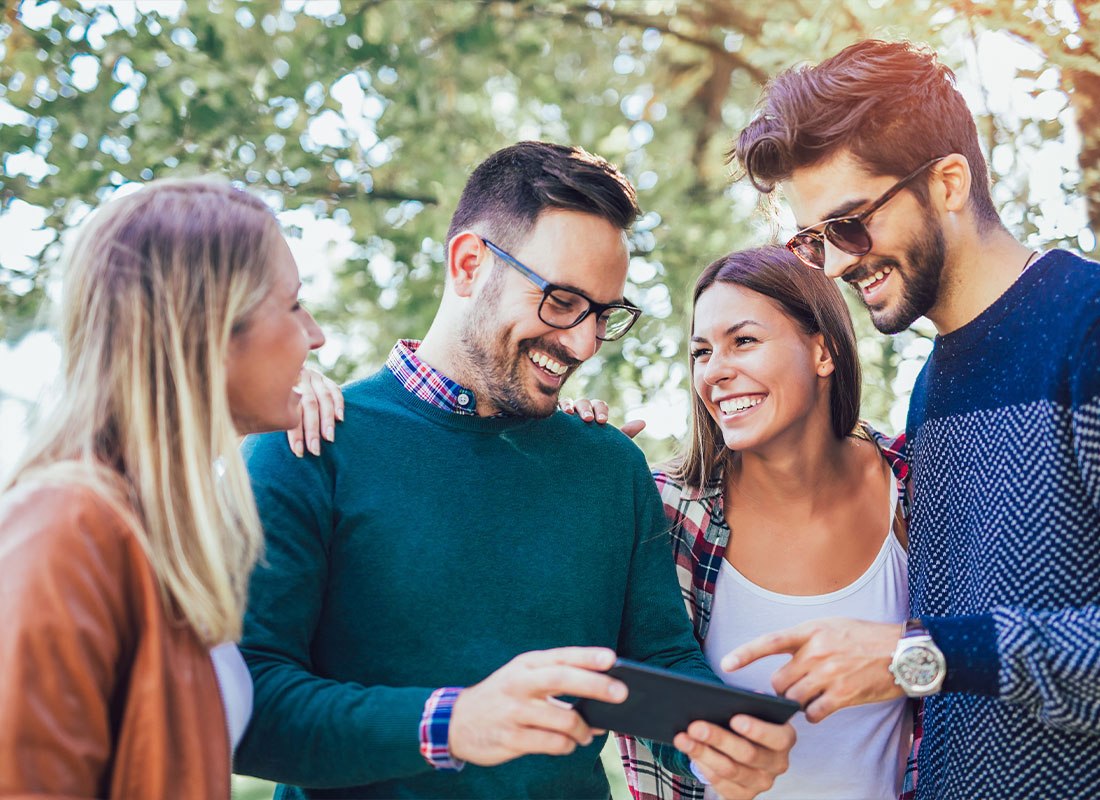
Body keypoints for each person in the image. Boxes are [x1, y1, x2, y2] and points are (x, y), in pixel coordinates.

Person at [232, 141, 796, 799]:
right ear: (469, 265)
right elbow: (248, 709)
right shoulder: (307, 444)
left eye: (604, 314)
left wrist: (721, 739)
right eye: (561, 301)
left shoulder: (610, 465)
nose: (584, 343)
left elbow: (662, 658)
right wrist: (451, 724)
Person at [721, 39, 1100, 798]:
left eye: (850, 225)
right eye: (811, 240)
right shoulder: (931, 388)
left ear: (950, 183)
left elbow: (940, 656)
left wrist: (915, 657)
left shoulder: (1086, 325)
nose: (831, 265)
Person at [0, 178, 326, 797]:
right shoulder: (66, 527)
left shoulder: (155, 530)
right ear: (209, 329)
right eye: (293, 305)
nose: (315, 336)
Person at [565, 245, 913, 799]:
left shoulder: (916, 486)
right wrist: (564, 477)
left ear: (824, 352)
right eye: (701, 352)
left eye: (743, 341)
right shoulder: (665, 512)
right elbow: (569, 665)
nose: (716, 372)